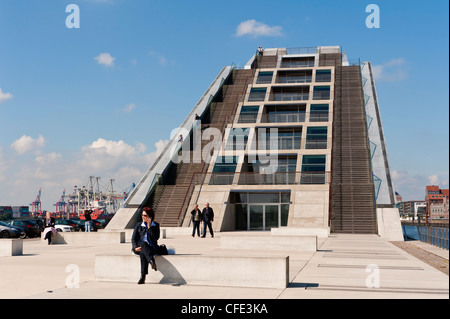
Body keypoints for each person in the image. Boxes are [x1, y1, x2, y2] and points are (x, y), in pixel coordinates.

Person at [131, 207, 160, 285]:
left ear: (150, 217)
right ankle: (151, 261)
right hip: (139, 247)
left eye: (145, 215)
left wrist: (149, 226)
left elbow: (155, 238)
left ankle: (143, 277)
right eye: (142, 215)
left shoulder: (156, 225)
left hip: (151, 248)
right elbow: (133, 239)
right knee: (143, 244)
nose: (143, 217)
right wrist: (135, 247)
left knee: (143, 252)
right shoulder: (138, 225)